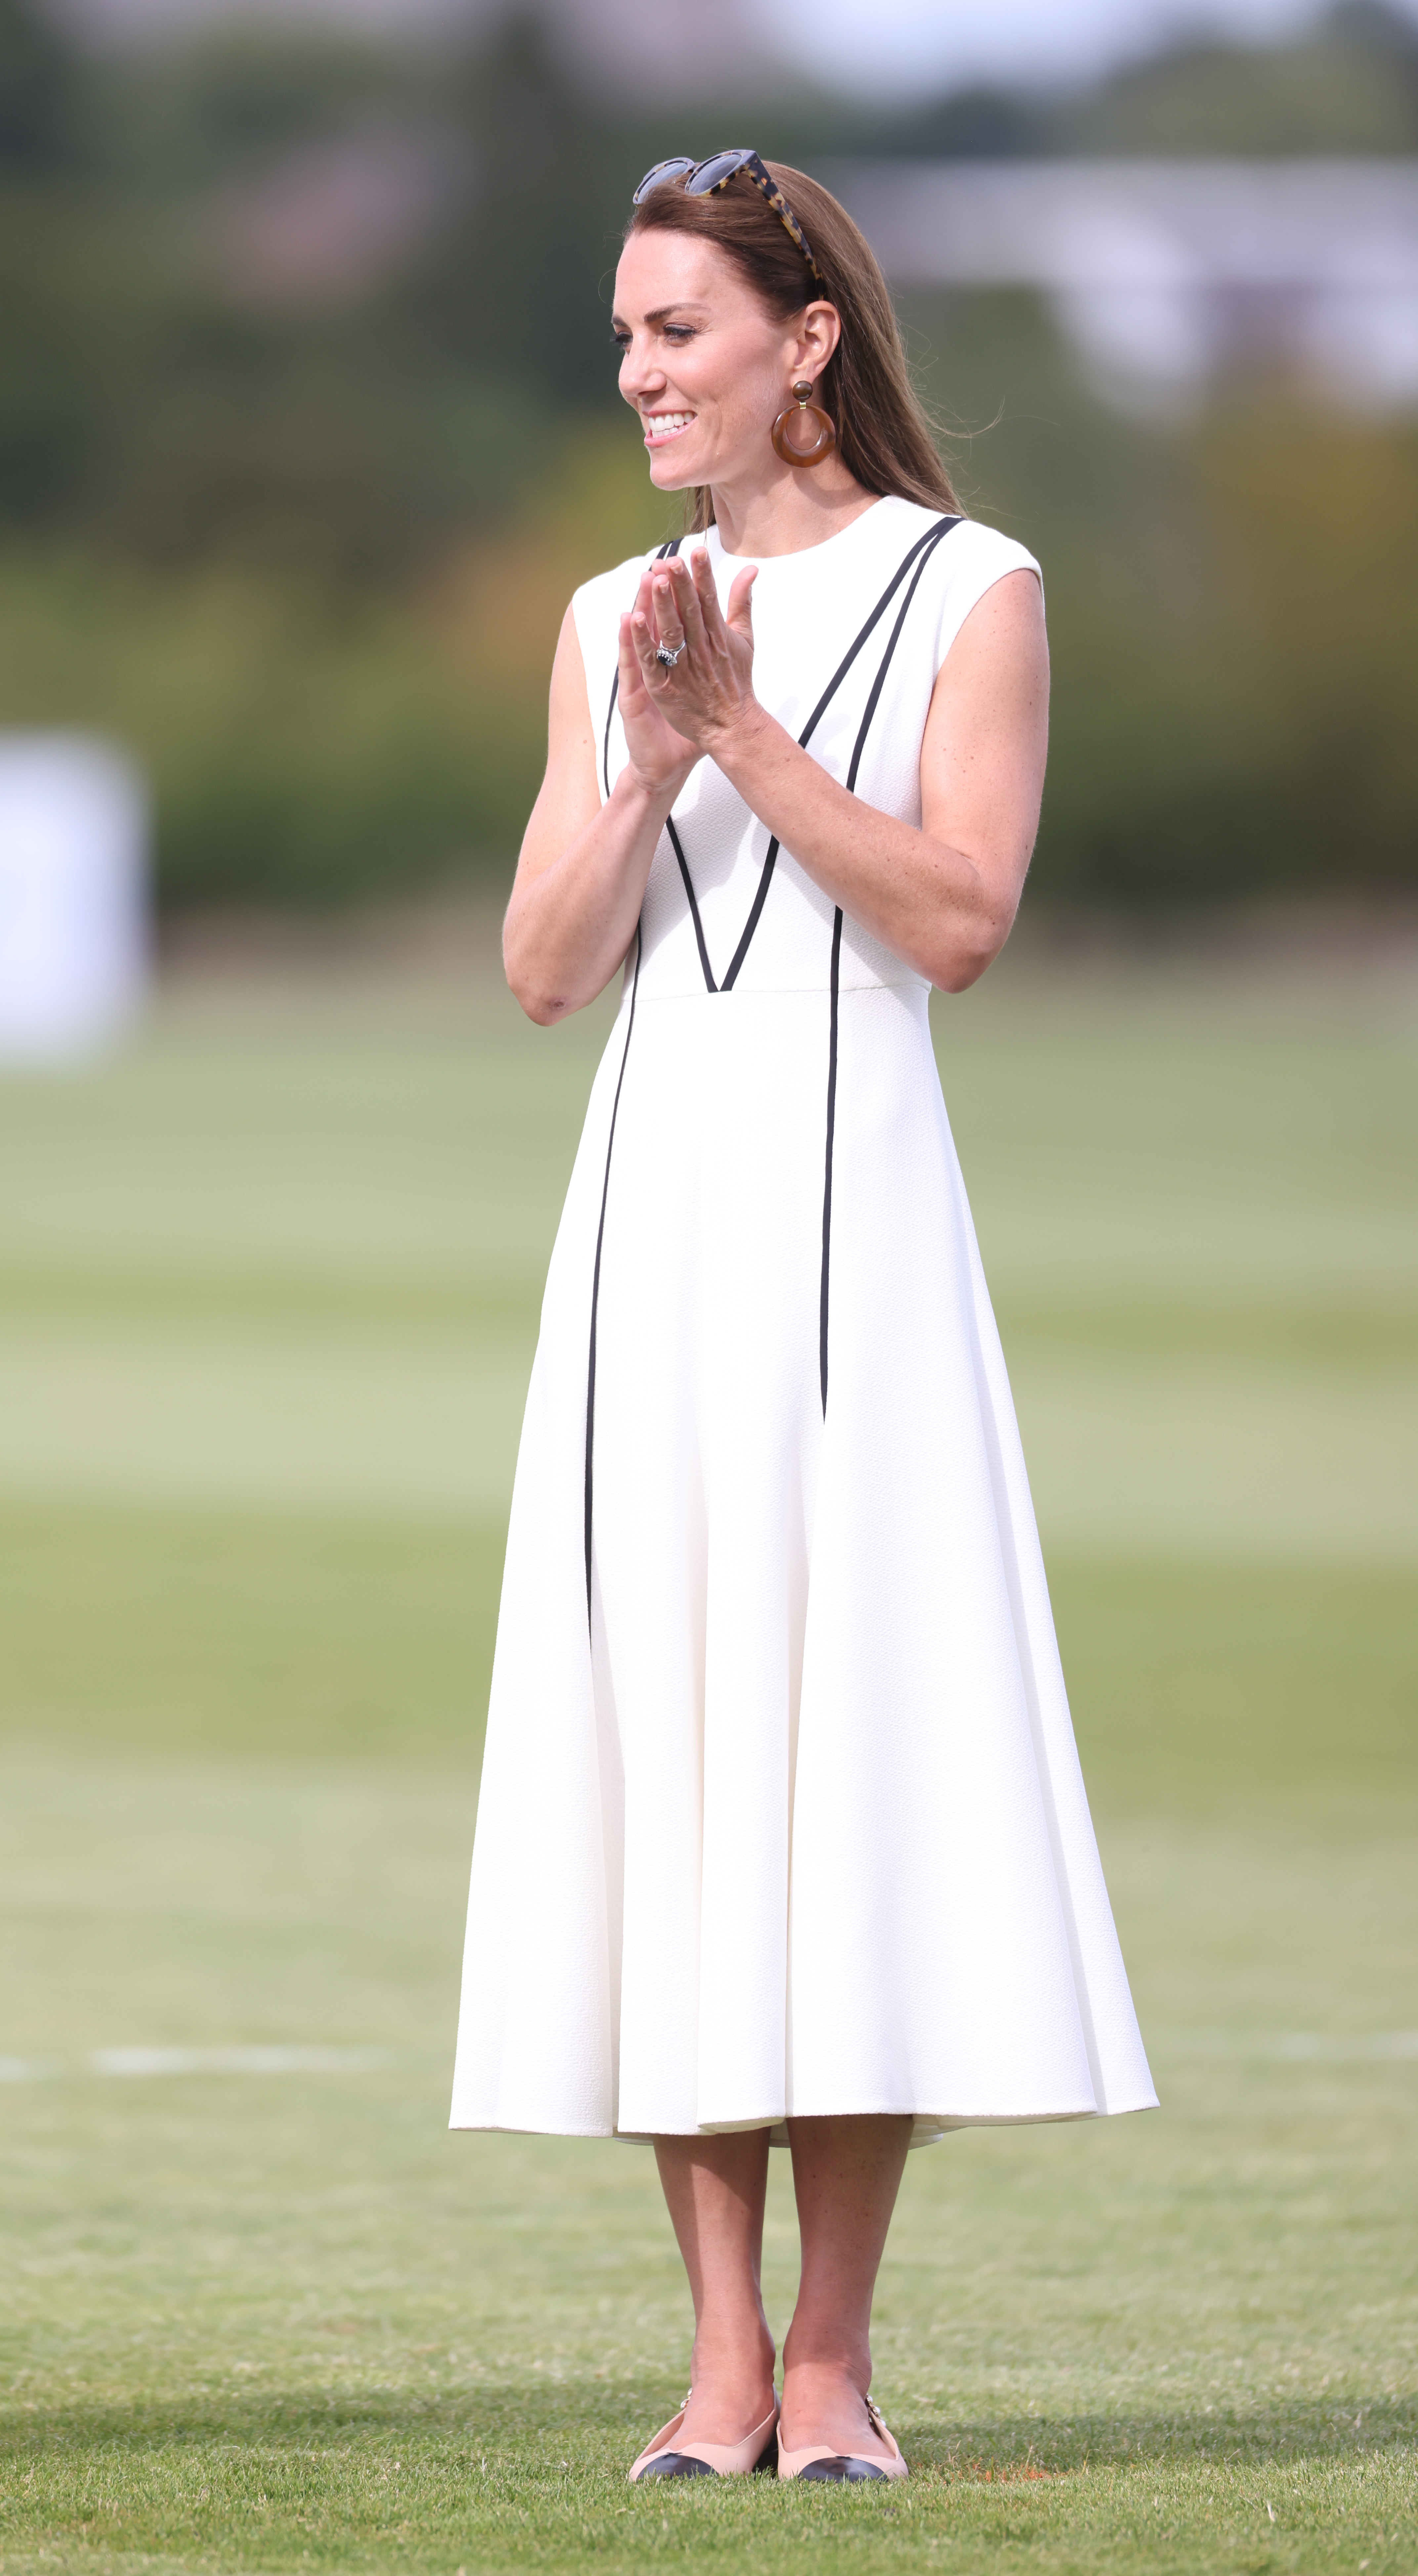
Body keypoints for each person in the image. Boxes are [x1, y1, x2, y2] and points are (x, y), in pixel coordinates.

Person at [450, 151, 1156, 2486]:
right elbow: (550, 976)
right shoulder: (603, 620)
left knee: (850, 1780)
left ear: (806, 340)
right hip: (648, 1254)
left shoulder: (977, 587)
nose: (640, 372)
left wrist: (752, 747)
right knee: (676, 1778)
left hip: (866, 1269)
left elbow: (959, 918)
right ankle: (721, 2364)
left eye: (679, 332)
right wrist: (652, 755)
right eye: (628, 335)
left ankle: (837, 2368)